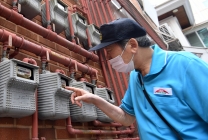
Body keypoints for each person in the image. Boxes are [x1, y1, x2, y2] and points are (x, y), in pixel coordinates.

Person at [66, 18, 208, 139]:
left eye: (109, 51)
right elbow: (126, 117)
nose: (108, 58)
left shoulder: (185, 65)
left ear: (133, 45)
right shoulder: (136, 76)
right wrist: (94, 99)